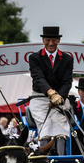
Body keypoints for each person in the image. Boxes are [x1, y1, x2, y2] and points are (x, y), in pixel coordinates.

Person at [28, 26, 73, 155]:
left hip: (60, 98)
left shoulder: (67, 59)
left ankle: (61, 158)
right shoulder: (35, 58)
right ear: (43, 40)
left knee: (60, 124)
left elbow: (67, 81)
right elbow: (38, 78)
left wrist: (60, 97)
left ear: (58, 40)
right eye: (48, 40)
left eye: (54, 40)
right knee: (45, 124)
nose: (51, 43)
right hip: (40, 98)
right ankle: (43, 157)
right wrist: (51, 93)